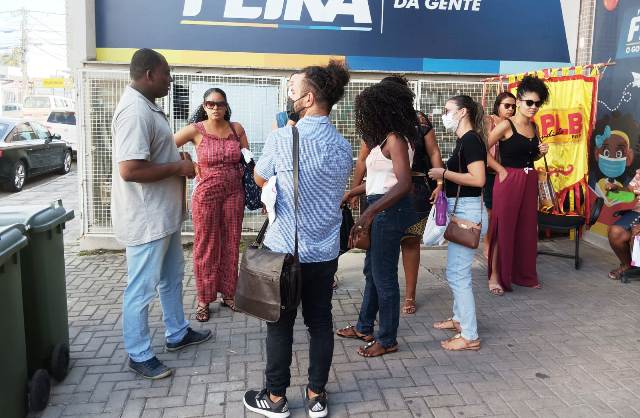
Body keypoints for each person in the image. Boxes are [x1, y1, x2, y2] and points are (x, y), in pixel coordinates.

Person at [243, 60, 352, 418]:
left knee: (280, 324)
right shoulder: (341, 145)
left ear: (308, 99)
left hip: (285, 253)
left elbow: (259, 179)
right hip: (324, 250)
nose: (291, 95)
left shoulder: (280, 138)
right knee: (320, 321)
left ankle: (275, 399)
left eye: (295, 89)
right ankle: (317, 396)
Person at [111, 48, 211, 379]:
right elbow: (130, 169)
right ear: (150, 74)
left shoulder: (148, 108)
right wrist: (179, 165)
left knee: (171, 278)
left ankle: (177, 333)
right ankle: (138, 353)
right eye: (166, 74)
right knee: (141, 288)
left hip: (163, 216)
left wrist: (172, 156)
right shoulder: (134, 112)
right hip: (146, 219)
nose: (170, 80)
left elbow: (151, 155)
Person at [344, 77, 444, 315]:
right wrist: (355, 190)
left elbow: (433, 153)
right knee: (379, 262)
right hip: (391, 192)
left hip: (410, 191)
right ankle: (367, 322)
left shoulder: (407, 127)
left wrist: (440, 182)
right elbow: (364, 160)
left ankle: (404, 304)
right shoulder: (381, 126)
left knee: (396, 255)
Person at [337, 80, 417, 357]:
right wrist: (352, 192)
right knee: (372, 272)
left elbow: (404, 183)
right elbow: (379, 180)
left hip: (389, 211)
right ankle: (364, 326)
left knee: (384, 278)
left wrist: (371, 212)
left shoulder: (396, 139)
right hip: (380, 206)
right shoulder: (385, 139)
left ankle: (387, 339)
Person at [174, 88, 249, 321]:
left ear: (226, 106)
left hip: (234, 193)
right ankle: (204, 299)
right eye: (210, 103)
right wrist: (187, 162)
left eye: (220, 104)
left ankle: (229, 294)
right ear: (204, 106)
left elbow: (248, 158)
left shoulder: (236, 129)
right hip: (206, 195)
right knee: (206, 245)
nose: (215, 108)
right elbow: (165, 146)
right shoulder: (195, 130)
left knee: (231, 242)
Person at [428, 95, 487, 351]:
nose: (444, 115)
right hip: (460, 209)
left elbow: (478, 179)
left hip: (466, 212)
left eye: (447, 110)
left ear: (462, 112)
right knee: (455, 271)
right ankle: (460, 319)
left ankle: (470, 335)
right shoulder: (465, 140)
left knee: (458, 274)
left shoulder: (471, 140)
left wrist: (443, 173)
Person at [486, 76, 550, 293]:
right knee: (502, 227)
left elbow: (530, 158)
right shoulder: (506, 124)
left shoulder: (534, 126)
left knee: (526, 230)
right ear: (520, 101)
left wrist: (540, 153)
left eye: (538, 103)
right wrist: (500, 169)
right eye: (529, 102)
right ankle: (495, 276)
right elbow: (480, 150)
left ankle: (523, 275)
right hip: (508, 180)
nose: (534, 107)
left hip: (529, 179)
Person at [482, 92, 516, 260]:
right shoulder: (489, 120)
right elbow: (484, 146)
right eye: (507, 106)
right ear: (498, 105)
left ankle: (502, 245)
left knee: (505, 211)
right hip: (491, 172)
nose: (510, 109)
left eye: (513, 106)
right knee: (491, 211)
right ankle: (487, 243)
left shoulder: (515, 123)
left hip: (510, 172)